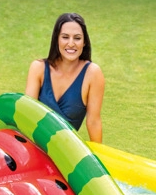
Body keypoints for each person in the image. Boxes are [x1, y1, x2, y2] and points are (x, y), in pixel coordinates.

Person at [25, 13, 105, 143]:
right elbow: (27, 114)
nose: (71, 43)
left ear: (84, 42)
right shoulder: (38, 68)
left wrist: (98, 154)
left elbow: (93, 122)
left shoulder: (92, 73)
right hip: (33, 146)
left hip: (64, 150)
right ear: (57, 39)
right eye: (65, 37)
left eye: (77, 38)